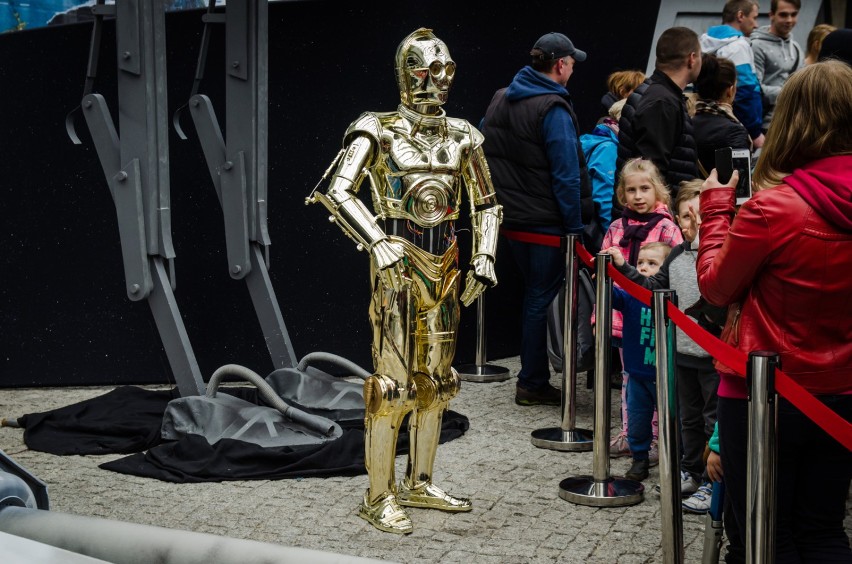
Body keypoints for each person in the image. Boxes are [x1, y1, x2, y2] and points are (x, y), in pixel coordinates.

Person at [309, 28, 502, 535]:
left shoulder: (463, 134)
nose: (435, 80)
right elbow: (338, 191)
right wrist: (377, 240)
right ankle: (378, 495)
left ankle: (420, 481)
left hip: (448, 261)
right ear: (405, 72)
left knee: (437, 384)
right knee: (390, 388)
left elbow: (486, 202)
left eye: (443, 70)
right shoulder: (377, 128)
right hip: (397, 260)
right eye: (424, 69)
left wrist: (484, 252)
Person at [696, 60, 852, 563]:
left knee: (766, 535)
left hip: (764, 394)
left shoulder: (773, 209)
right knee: (824, 527)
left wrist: (717, 208)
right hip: (842, 392)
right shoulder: (779, 207)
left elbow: (716, 290)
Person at [480, 31, 589, 406]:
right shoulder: (553, 108)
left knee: (534, 297)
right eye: (572, 62)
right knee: (540, 300)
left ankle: (534, 377)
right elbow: (566, 173)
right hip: (545, 222)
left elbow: (484, 151)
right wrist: (575, 228)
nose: (573, 68)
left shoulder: (499, 98)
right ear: (560, 65)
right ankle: (532, 382)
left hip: (512, 222)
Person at [609, 181, 725, 509]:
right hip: (682, 354)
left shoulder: (722, 254)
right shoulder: (675, 254)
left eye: (700, 216)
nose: (693, 225)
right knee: (687, 418)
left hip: (714, 358)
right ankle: (691, 471)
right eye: (686, 217)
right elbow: (652, 288)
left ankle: (712, 482)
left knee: (712, 421)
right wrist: (623, 267)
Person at [600, 158, 683, 460]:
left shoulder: (667, 229)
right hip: (625, 319)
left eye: (645, 188)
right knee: (629, 379)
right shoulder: (615, 228)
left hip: (658, 319)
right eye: (631, 189)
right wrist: (602, 316)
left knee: (660, 380)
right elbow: (603, 277)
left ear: (658, 191)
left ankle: (659, 439)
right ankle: (631, 434)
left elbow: (678, 272)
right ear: (622, 194)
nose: (638, 196)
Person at [602, 242, 672, 481]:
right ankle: (639, 459)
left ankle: (676, 461)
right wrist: (604, 275)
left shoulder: (670, 299)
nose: (643, 268)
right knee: (637, 420)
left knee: (674, 421)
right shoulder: (631, 295)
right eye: (640, 262)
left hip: (665, 375)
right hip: (636, 373)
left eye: (652, 264)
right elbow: (611, 298)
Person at [616, 27, 701, 208]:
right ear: (692, 59)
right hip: (653, 228)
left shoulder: (656, 93)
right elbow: (651, 174)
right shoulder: (662, 103)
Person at [699, 0, 765, 150]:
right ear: (740, 15)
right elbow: (746, 92)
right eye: (754, 18)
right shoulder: (738, 46)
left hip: (705, 123)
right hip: (738, 127)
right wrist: (755, 133)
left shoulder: (704, 42)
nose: (756, 25)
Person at [692, 53, 752, 176]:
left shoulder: (686, 123)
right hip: (718, 195)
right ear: (730, 91)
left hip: (688, 194)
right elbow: (742, 187)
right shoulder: (734, 131)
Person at [750, 0, 804, 133]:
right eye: (783, 15)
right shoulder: (756, 45)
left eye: (793, 14)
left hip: (792, 123)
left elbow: (803, 84)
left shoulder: (796, 47)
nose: (789, 20)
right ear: (771, 15)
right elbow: (755, 88)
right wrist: (790, 92)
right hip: (765, 125)